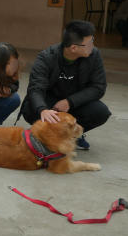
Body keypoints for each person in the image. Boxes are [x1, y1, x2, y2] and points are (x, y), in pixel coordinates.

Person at [18, 19, 110, 150]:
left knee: (100, 112)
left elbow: (98, 87)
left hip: (76, 102)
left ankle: (73, 136)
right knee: (31, 109)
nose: (93, 46)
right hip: (50, 102)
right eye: (89, 43)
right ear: (73, 47)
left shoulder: (94, 55)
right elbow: (36, 88)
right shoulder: (46, 57)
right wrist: (42, 109)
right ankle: (45, 136)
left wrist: (70, 102)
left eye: (92, 41)